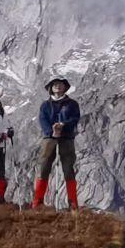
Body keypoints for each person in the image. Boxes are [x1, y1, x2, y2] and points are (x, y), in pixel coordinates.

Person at [33, 77, 82, 210]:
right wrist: (51, 131)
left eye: (60, 85)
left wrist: (63, 126)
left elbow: (75, 118)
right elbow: (42, 120)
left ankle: (73, 204)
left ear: (65, 87)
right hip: (49, 137)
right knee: (44, 166)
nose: (58, 87)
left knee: (68, 169)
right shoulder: (45, 105)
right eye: (55, 85)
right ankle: (37, 203)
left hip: (66, 138)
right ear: (50, 88)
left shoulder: (72, 104)